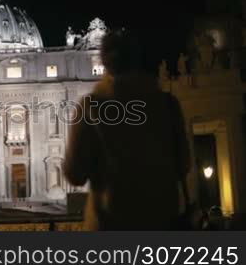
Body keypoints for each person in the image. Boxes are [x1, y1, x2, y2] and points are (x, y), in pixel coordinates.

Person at [64, 30, 190, 230]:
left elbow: (75, 174)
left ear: (104, 62)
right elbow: (184, 165)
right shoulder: (168, 104)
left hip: (111, 223)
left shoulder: (91, 106)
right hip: (160, 222)